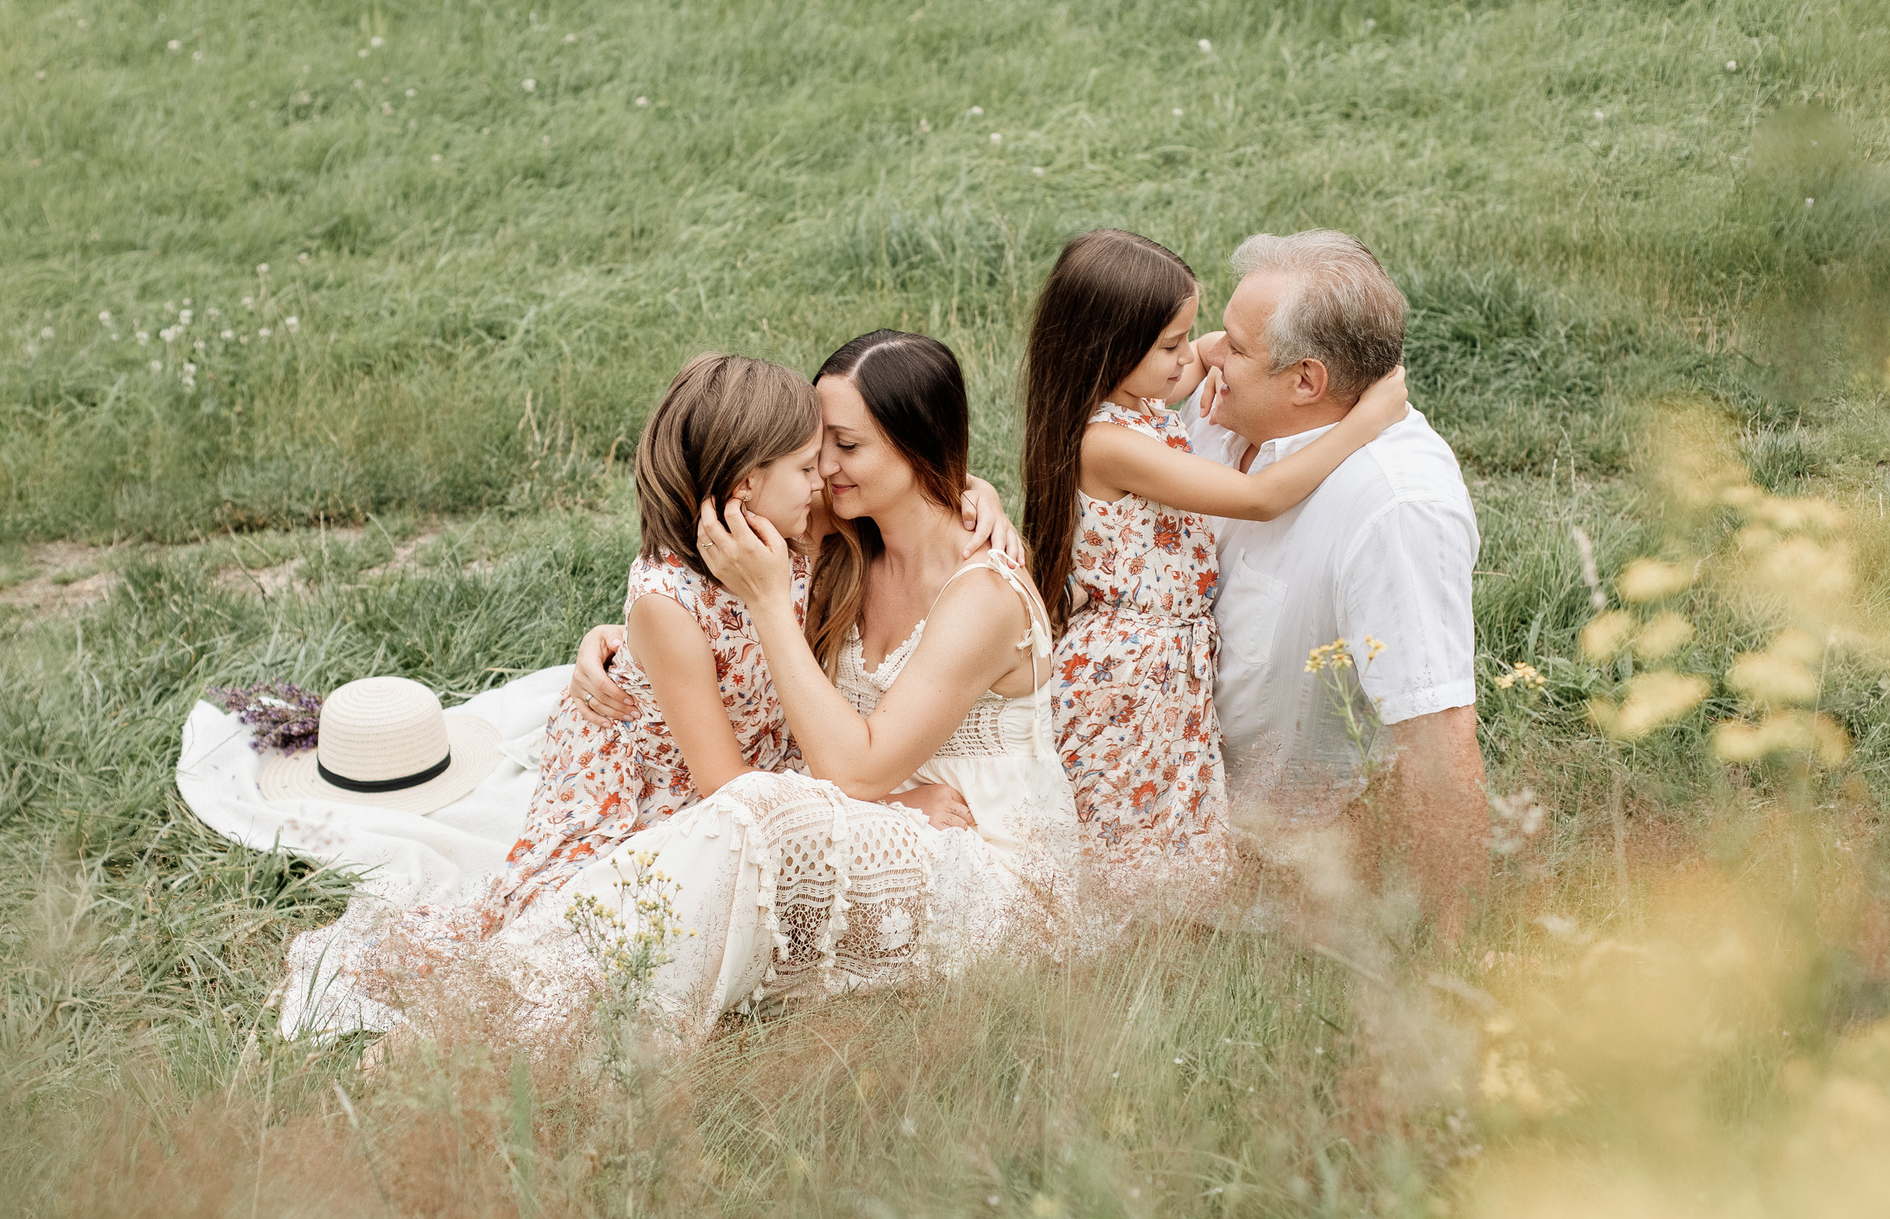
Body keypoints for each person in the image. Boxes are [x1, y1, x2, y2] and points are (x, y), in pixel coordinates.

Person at [281, 353, 841, 1037]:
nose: (825, 480)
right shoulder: (671, 603)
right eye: (809, 466)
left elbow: (900, 508)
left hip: (744, 754)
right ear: (749, 483)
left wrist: (976, 498)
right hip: (653, 783)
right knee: (562, 937)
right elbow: (724, 782)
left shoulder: (795, 528)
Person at [547, 332, 1081, 1045]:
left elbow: (857, 766)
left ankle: (606, 1013)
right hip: (875, 802)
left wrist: (772, 604)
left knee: (756, 810)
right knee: (745, 817)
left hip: (983, 850)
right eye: (818, 445)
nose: (824, 468)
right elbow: (698, 574)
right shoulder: (847, 532)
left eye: (847, 446)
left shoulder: (983, 592)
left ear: (920, 447)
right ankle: (572, 987)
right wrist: (622, 641)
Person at [1018, 228, 1408, 907]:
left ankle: (1167, 941)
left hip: (1164, 667)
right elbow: (1260, 498)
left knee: (1166, 823)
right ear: (1110, 349)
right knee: (1123, 830)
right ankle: (1106, 957)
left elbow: (1208, 353)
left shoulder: (1136, 393)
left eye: (1190, 337)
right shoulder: (1108, 443)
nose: (1194, 358)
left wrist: (1219, 350)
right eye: (1171, 344)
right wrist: (1364, 422)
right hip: (1127, 677)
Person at [1187, 230, 1485, 939]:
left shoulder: (1394, 508)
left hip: (1277, 869)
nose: (1207, 354)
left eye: (1232, 344)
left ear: (1305, 381)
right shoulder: (1223, 409)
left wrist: (1454, 942)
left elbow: (1438, 732)